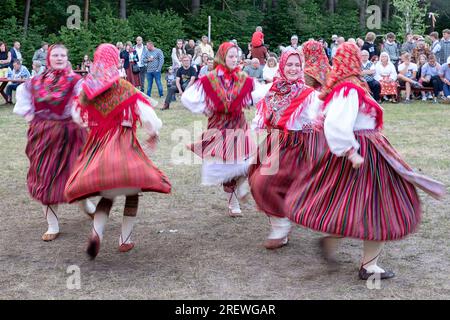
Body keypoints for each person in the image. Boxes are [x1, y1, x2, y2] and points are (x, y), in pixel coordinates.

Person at [285, 42, 445, 280]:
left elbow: (320, 115)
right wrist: (351, 151)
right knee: (378, 206)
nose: (360, 61)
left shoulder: (343, 86)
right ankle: (365, 263)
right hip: (363, 153)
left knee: (353, 204)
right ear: (352, 61)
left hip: (366, 150)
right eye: (356, 58)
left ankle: (342, 248)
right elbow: (335, 124)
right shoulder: (349, 89)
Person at [65, 44, 171, 259]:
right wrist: (154, 132)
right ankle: (125, 238)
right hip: (124, 150)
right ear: (116, 61)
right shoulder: (125, 87)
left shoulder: (88, 91)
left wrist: (92, 126)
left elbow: (76, 116)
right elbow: (149, 117)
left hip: (99, 152)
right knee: (132, 194)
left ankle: (96, 233)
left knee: (108, 196)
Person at [13, 44, 96, 241]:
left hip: (71, 134)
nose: (59, 58)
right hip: (43, 135)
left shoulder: (76, 81)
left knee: (76, 175)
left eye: (63, 55)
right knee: (45, 176)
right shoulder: (34, 82)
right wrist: (36, 122)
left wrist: (81, 121)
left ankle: (86, 205)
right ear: (48, 58)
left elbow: (82, 104)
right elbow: (23, 103)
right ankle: (53, 224)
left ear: (67, 58)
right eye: (55, 55)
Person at [249, 49, 322, 249]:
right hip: (275, 141)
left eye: (297, 65)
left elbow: (324, 114)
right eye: (289, 64)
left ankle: (281, 225)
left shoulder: (309, 94)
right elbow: (249, 96)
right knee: (257, 180)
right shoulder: (272, 89)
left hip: (297, 146)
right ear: (282, 65)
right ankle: (279, 227)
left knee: (265, 183)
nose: (293, 68)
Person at [181, 42, 264, 217]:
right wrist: (205, 107)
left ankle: (241, 186)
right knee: (225, 164)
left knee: (247, 160)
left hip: (238, 124)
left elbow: (257, 94)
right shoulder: (210, 79)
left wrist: (247, 101)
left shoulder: (243, 78)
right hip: (218, 126)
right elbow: (188, 98)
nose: (234, 59)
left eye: (236, 56)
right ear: (223, 57)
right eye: (231, 56)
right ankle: (233, 204)